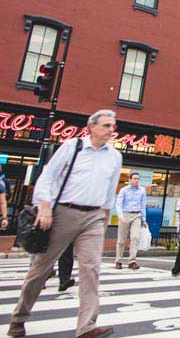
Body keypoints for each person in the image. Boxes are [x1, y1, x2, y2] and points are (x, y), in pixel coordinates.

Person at [8, 109, 122, 338]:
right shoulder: (73, 147)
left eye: (113, 126)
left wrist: (104, 218)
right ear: (92, 127)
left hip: (94, 216)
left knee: (91, 268)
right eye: (106, 125)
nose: (111, 130)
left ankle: (86, 327)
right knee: (41, 268)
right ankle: (18, 319)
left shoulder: (115, 156)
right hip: (63, 213)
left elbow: (110, 190)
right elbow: (47, 178)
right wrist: (45, 208)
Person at [115, 172, 147, 270]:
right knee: (121, 239)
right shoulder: (124, 190)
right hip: (125, 214)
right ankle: (118, 260)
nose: (136, 180)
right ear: (130, 180)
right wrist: (121, 216)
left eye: (138, 179)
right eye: (134, 178)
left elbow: (143, 205)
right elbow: (118, 204)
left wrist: (144, 219)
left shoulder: (142, 190)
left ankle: (132, 261)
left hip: (137, 215)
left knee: (135, 237)